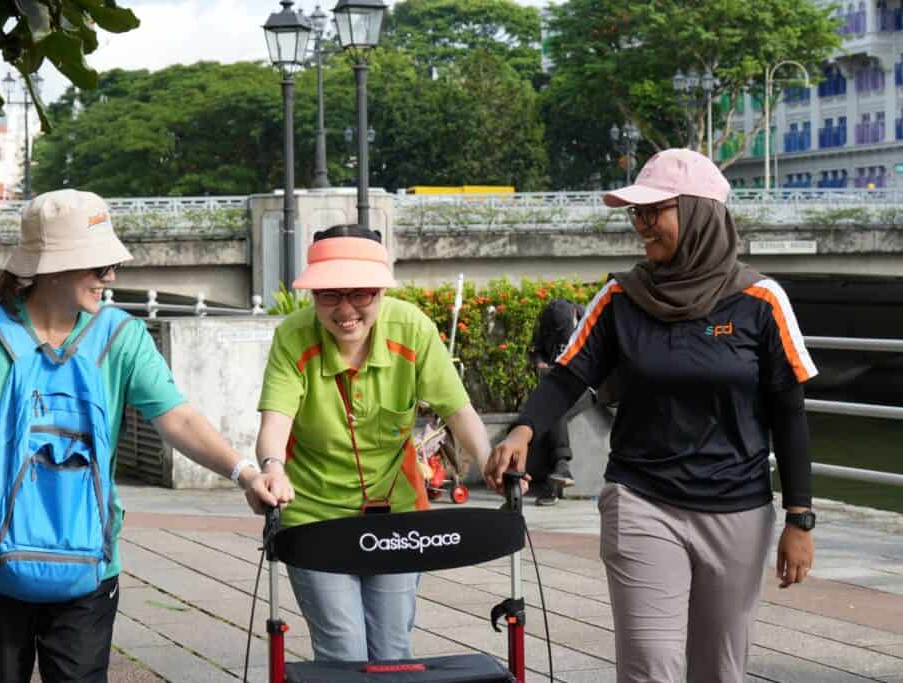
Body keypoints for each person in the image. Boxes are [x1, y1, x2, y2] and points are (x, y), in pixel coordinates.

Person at [0, 189, 293, 683]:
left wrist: (245, 473)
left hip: (86, 565)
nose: (110, 276)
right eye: (97, 264)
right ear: (53, 267)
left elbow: (176, 417)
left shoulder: (121, 335)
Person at [485, 149, 818, 683]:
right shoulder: (622, 296)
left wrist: (800, 518)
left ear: (700, 214)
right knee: (649, 669)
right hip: (643, 501)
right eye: (635, 214)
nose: (640, 226)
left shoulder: (760, 300)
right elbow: (569, 376)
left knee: (720, 669)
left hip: (738, 511)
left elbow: (789, 412)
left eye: (653, 212)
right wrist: (523, 429)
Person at [255, 224, 492, 662]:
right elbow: (275, 423)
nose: (346, 309)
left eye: (360, 293)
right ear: (313, 296)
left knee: (392, 652)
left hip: (396, 514)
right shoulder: (294, 336)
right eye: (330, 294)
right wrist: (271, 467)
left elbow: (459, 411)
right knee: (343, 652)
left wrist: (492, 462)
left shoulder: (412, 330)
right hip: (313, 514)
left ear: (381, 292)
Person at [528, 298, 585, 505]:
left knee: (553, 408)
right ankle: (558, 472)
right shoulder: (546, 325)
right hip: (556, 385)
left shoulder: (586, 322)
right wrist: (540, 363)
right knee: (541, 414)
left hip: (586, 387)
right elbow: (535, 351)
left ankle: (556, 475)